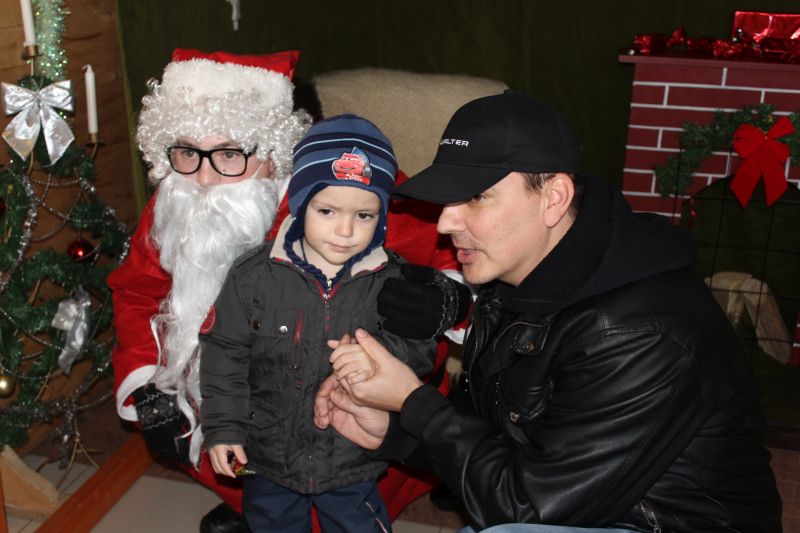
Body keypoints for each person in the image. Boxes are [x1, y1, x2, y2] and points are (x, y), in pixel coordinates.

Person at [314, 91, 783, 532]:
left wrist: (414, 401)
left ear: (554, 197)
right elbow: (495, 439)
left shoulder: (636, 328)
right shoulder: (515, 279)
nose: (445, 222)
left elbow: (530, 508)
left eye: (475, 197)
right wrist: (397, 431)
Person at [108, 48, 470, 533]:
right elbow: (137, 290)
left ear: (274, 151)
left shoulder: (339, 190)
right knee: (260, 493)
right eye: (187, 152)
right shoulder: (177, 200)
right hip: (234, 394)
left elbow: (452, 244)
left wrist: (450, 299)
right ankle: (246, 496)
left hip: (345, 412)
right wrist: (147, 382)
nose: (205, 178)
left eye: (230, 154)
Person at [200, 114, 437, 532]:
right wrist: (223, 428)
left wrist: (377, 358)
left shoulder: (395, 282)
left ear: (382, 217)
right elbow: (224, 354)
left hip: (352, 455)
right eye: (327, 210)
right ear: (300, 204)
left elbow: (421, 351)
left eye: (364, 216)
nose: (345, 230)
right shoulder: (252, 276)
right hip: (268, 453)